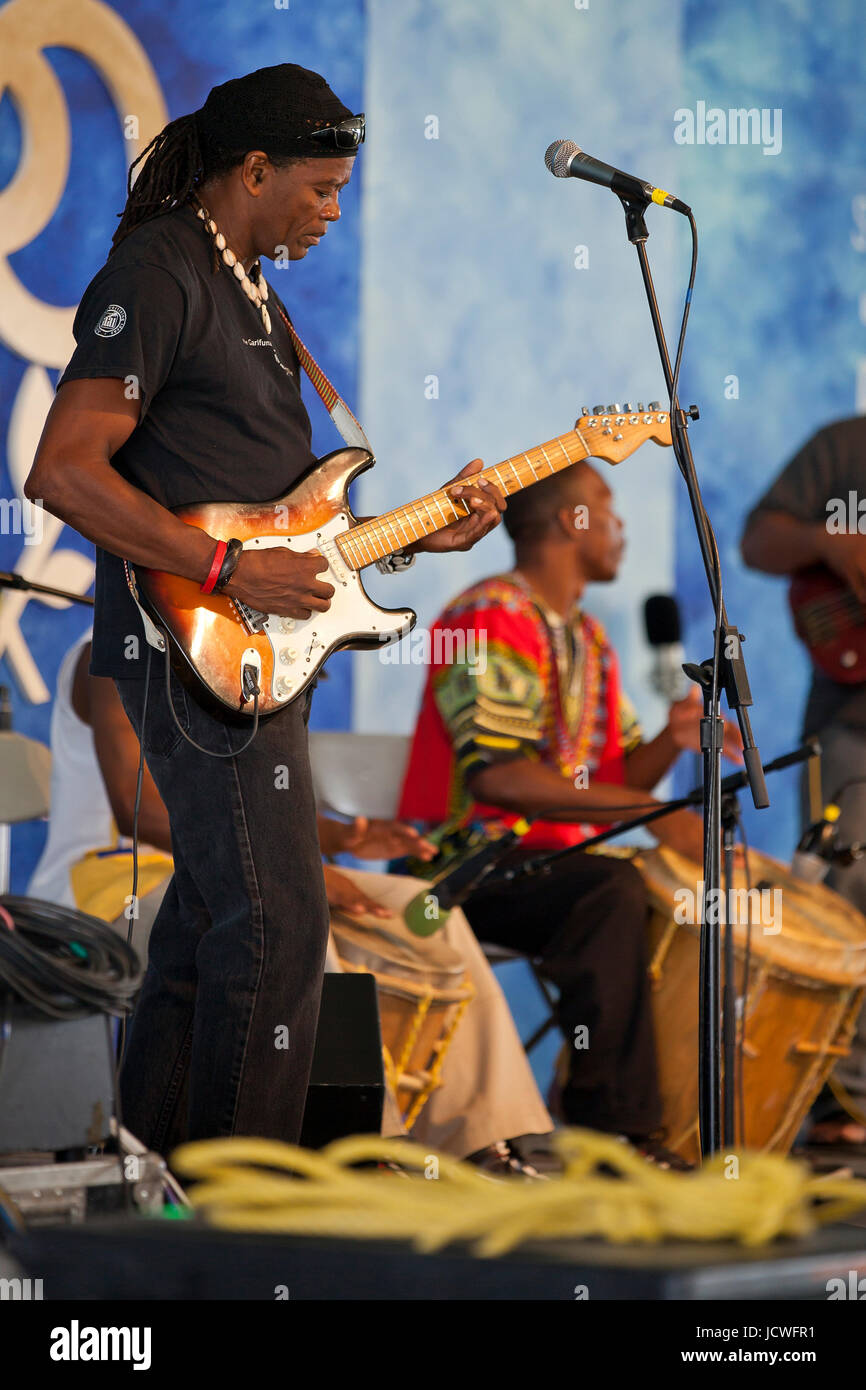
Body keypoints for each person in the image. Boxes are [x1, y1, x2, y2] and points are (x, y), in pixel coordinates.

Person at [24, 64, 503, 1158]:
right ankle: (248, 1216)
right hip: (193, 648)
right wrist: (227, 571)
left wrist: (423, 531)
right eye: (321, 188)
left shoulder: (249, 289)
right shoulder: (156, 271)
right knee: (279, 924)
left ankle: (145, 1200)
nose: (332, 211)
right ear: (253, 169)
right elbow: (62, 471)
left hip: (250, 656)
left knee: (206, 928)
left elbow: (281, 514)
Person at [29, 632, 552, 1171]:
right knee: (286, 913)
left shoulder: (228, 652)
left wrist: (340, 839)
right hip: (109, 882)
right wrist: (296, 869)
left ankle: (483, 1143)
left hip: (229, 865)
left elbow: (241, 803)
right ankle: (370, 1150)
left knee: (423, 909)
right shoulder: (117, 649)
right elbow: (143, 813)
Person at [399, 460, 740, 1165]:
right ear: (568, 521)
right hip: (461, 869)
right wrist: (653, 805)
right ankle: (611, 1129)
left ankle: (641, 1108)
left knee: (650, 891)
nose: (620, 529)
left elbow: (611, 775)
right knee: (609, 890)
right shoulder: (487, 616)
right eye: (607, 509)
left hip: (547, 869)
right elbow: (502, 779)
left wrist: (674, 742)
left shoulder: (587, 637)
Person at [741, 416, 866, 1146]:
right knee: (844, 892)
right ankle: (834, 1101)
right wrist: (829, 542)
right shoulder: (847, 445)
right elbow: (760, 541)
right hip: (852, 725)